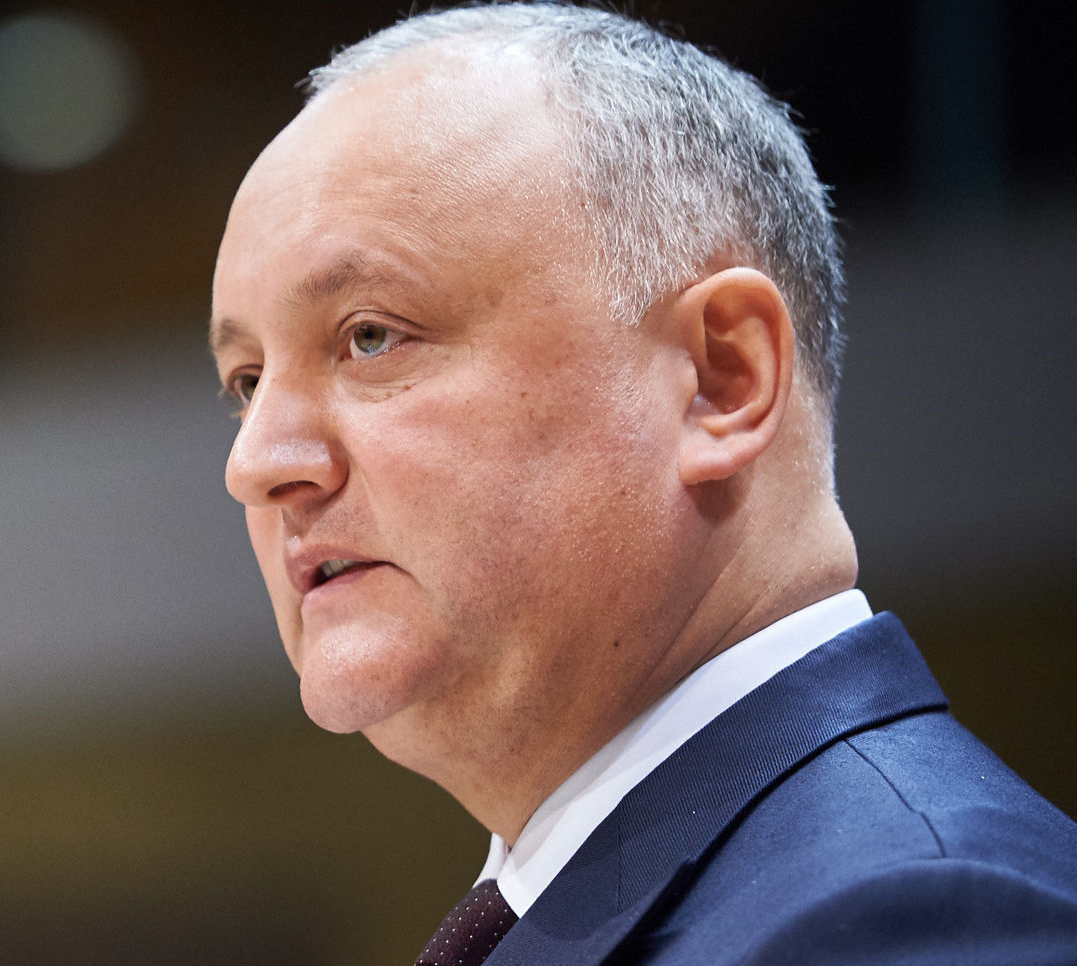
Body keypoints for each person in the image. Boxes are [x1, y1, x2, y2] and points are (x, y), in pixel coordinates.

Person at [206, 4, 1077, 964]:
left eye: (371, 336)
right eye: (246, 383)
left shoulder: (917, 921)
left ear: (720, 379)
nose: (255, 464)